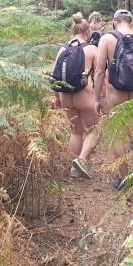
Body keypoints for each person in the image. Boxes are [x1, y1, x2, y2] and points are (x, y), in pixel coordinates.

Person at [72, 9, 133, 185]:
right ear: (131, 23)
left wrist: (96, 99)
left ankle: (124, 178)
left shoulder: (107, 39)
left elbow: (100, 72)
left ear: (115, 23)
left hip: (114, 95)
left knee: (117, 136)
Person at [51, 13, 101, 179]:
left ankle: (73, 169)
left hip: (66, 96)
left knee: (76, 131)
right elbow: (101, 75)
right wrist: (101, 98)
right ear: (87, 32)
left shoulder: (62, 49)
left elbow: (54, 76)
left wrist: (57, 98)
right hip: (84, 95)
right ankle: (81, 159)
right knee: (96, 128)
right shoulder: (92, 49)